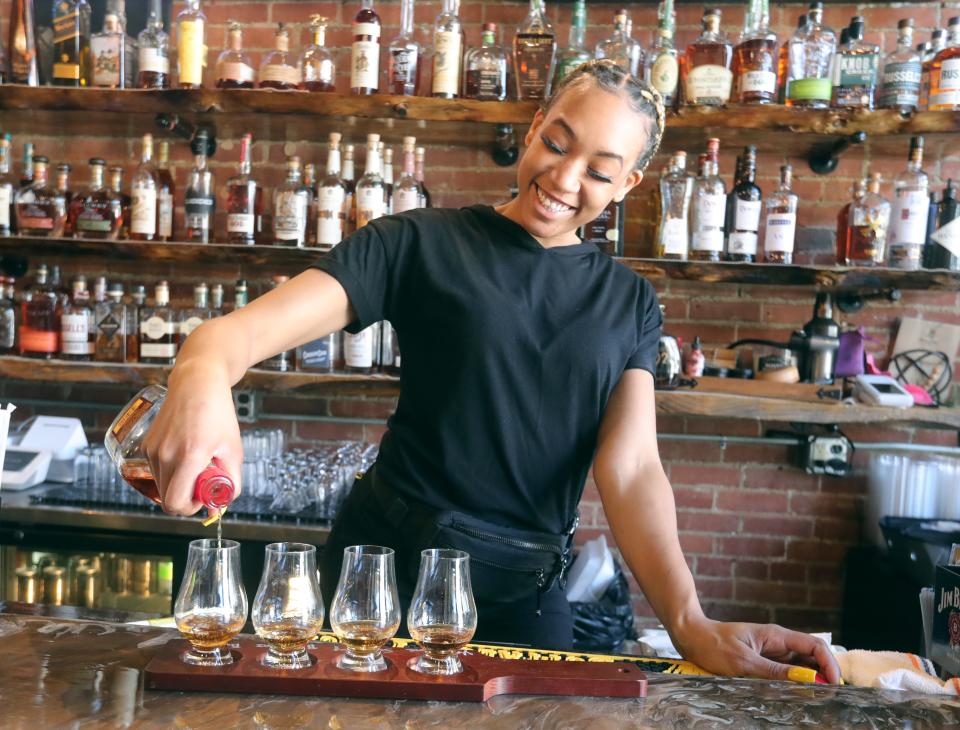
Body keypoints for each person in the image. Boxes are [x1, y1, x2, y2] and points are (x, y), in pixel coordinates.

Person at [145, 60, 840, 683]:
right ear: (533, 126)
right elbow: (231, 338)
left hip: (518, 596)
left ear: (628, 184)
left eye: (599, 171)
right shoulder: (417, 242)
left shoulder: (629, 302)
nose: (565, 179)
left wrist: (688, 621)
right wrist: (202, 370)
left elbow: (629, 469)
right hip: (375, 576)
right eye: (557, 142)